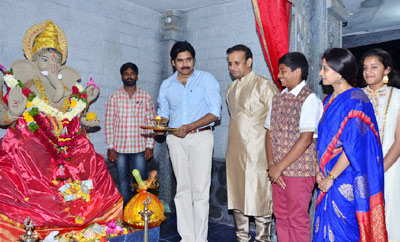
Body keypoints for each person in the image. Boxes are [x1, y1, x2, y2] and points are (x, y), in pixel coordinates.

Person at [313, 48, 387, 241]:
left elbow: (354, 147)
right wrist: (317, 169)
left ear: (340, 73)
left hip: (343, 176)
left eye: (325, 69)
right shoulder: (328, 100)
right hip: (325, 174)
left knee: (344, 230)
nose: (321, 73)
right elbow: (320, 140)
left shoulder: (356, 100)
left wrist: (330, 177)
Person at [156, 41, 221, 242]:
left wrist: (190, 126)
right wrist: (159, 125)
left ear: (194, 59)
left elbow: (215, 113)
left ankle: (200, 239)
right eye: (180, 61)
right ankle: (187, 237)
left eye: (189, 59)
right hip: (175, 140)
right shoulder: (166, 85)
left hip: (201, 137)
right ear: (173, 62)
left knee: (200, 191)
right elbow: (163, 114)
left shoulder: (206, 80)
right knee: (182, 190)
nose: (185, 64)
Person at [265, 52, 323, 242]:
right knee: (281, 217)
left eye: (283, 71)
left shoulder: (309, 99)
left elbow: (305, 139)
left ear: (298, 72)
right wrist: (272, 165)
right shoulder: (277, 98)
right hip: (278, 172)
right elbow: (269, 133)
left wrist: (278, 167)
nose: (279, 76)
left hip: (299, 173)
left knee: (297, 219)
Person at [225, 44, 278, 242]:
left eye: (237, 63)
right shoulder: (231, 88)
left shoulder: (264, 86)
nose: (233, 67)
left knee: (260, 197)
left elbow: (276, 122)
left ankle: (263, 238)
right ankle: (242, 237)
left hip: (259, 153)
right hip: (235, 153)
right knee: (237, 196)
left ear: (249, 62)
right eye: (230, 64)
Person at [361, 48, 400, 242]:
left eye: (374, 67)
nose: (368, 71)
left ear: (387, 70)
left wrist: (378, 171)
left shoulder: (398, 96)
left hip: (390, 168)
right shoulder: (356, 96)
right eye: (365, 67)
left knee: (390, 219)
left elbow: (399, 141)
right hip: (358, 169)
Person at [105, 62, 155, 206]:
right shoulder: (114, 97)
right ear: (122, 76)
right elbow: (110, 123)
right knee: (123, 182)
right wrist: (110, 147)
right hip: (120, 149)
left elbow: (151, 121)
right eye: (126, 73)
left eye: (132, 73)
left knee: (142, 182)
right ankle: (126, 212)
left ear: (137, 76)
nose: (129, 76)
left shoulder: (146, 97)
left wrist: (150, 146)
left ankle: (141, 212)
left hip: (140, 148)